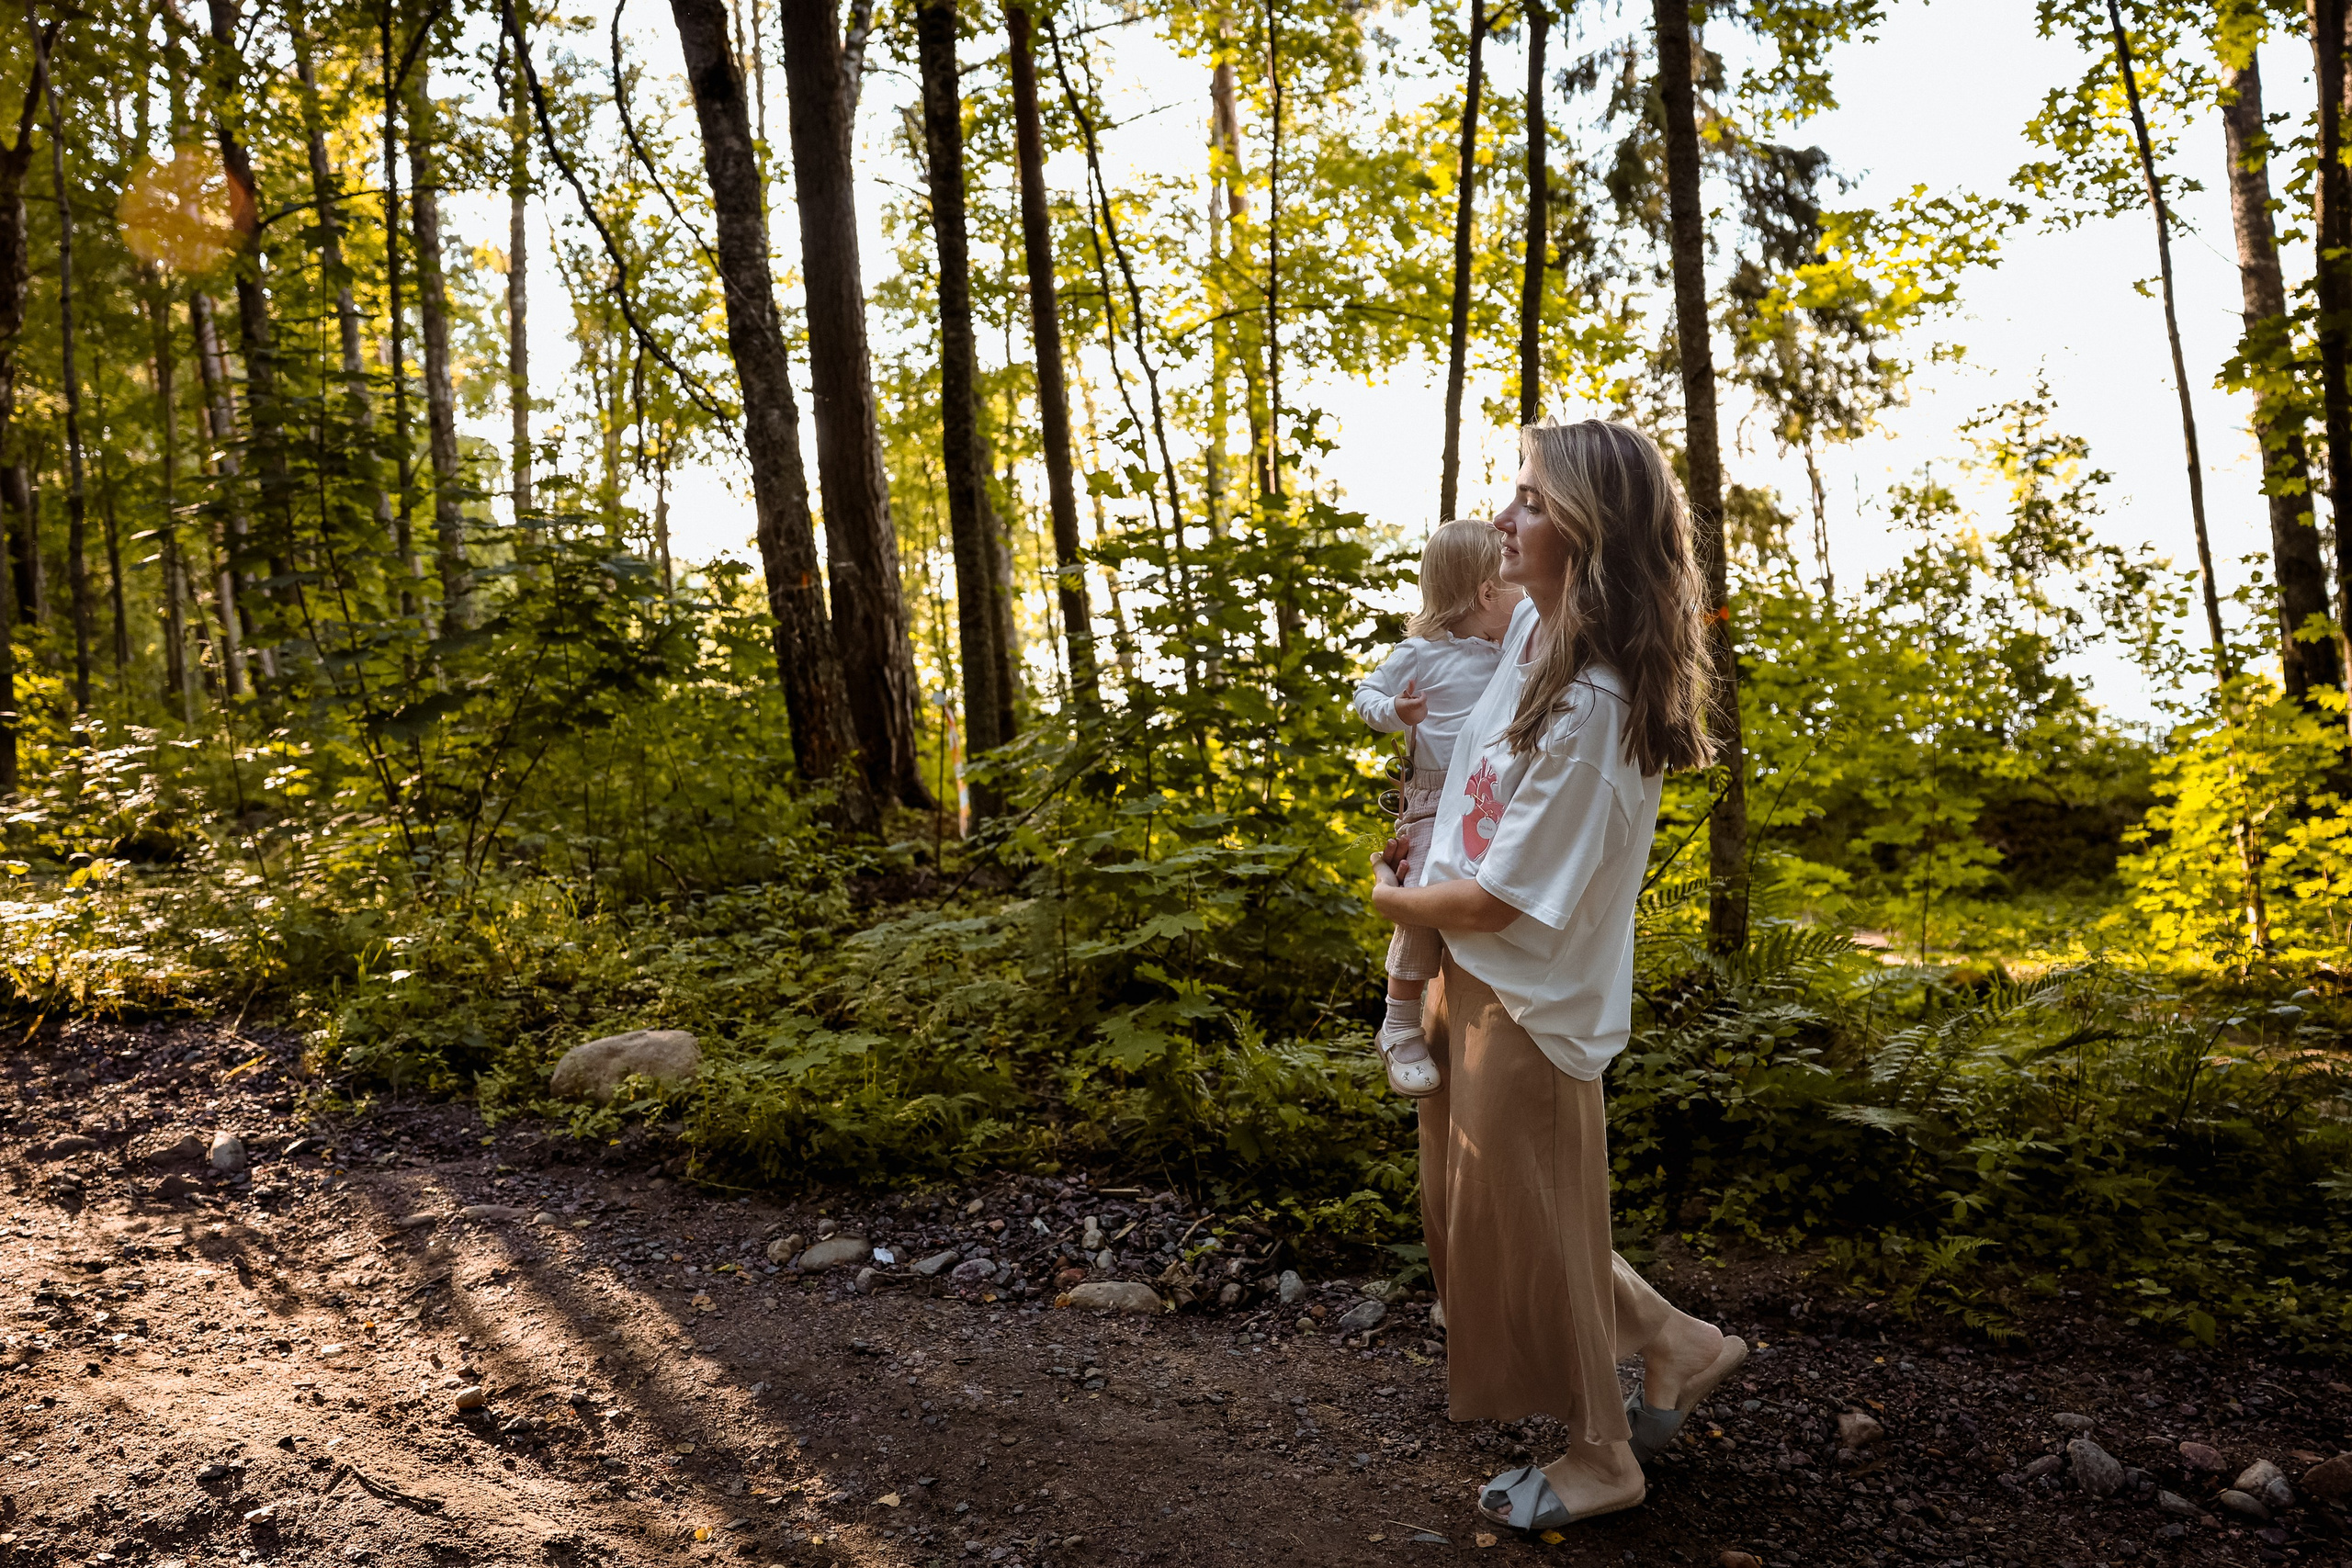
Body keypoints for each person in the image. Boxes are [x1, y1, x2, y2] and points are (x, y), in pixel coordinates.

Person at [1368, 419, 1748, 1533]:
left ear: (1588, 526)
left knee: (1537, 1231)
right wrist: (1423, 857)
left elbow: (1501, 900)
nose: (1502, 517)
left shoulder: (1591, 702)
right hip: (1468, 978)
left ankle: (1603, 1457)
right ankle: (1676, 1344)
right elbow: (1475, 817)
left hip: (1526, 998)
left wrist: (1392, 903)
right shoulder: (1532, 643)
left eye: (1528, 499)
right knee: (1492, 1225)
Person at [1352, 518, 1522, 1098]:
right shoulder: (1419, 653)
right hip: (1429, 797)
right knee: (1422, 898)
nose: (1522, 594)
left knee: (1490, 892)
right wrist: (1398, 711)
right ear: (1485, 593)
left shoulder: (1512, 651)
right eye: (1513, 584)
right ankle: (1399, 1024)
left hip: (1486, 795)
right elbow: (1364, 695)